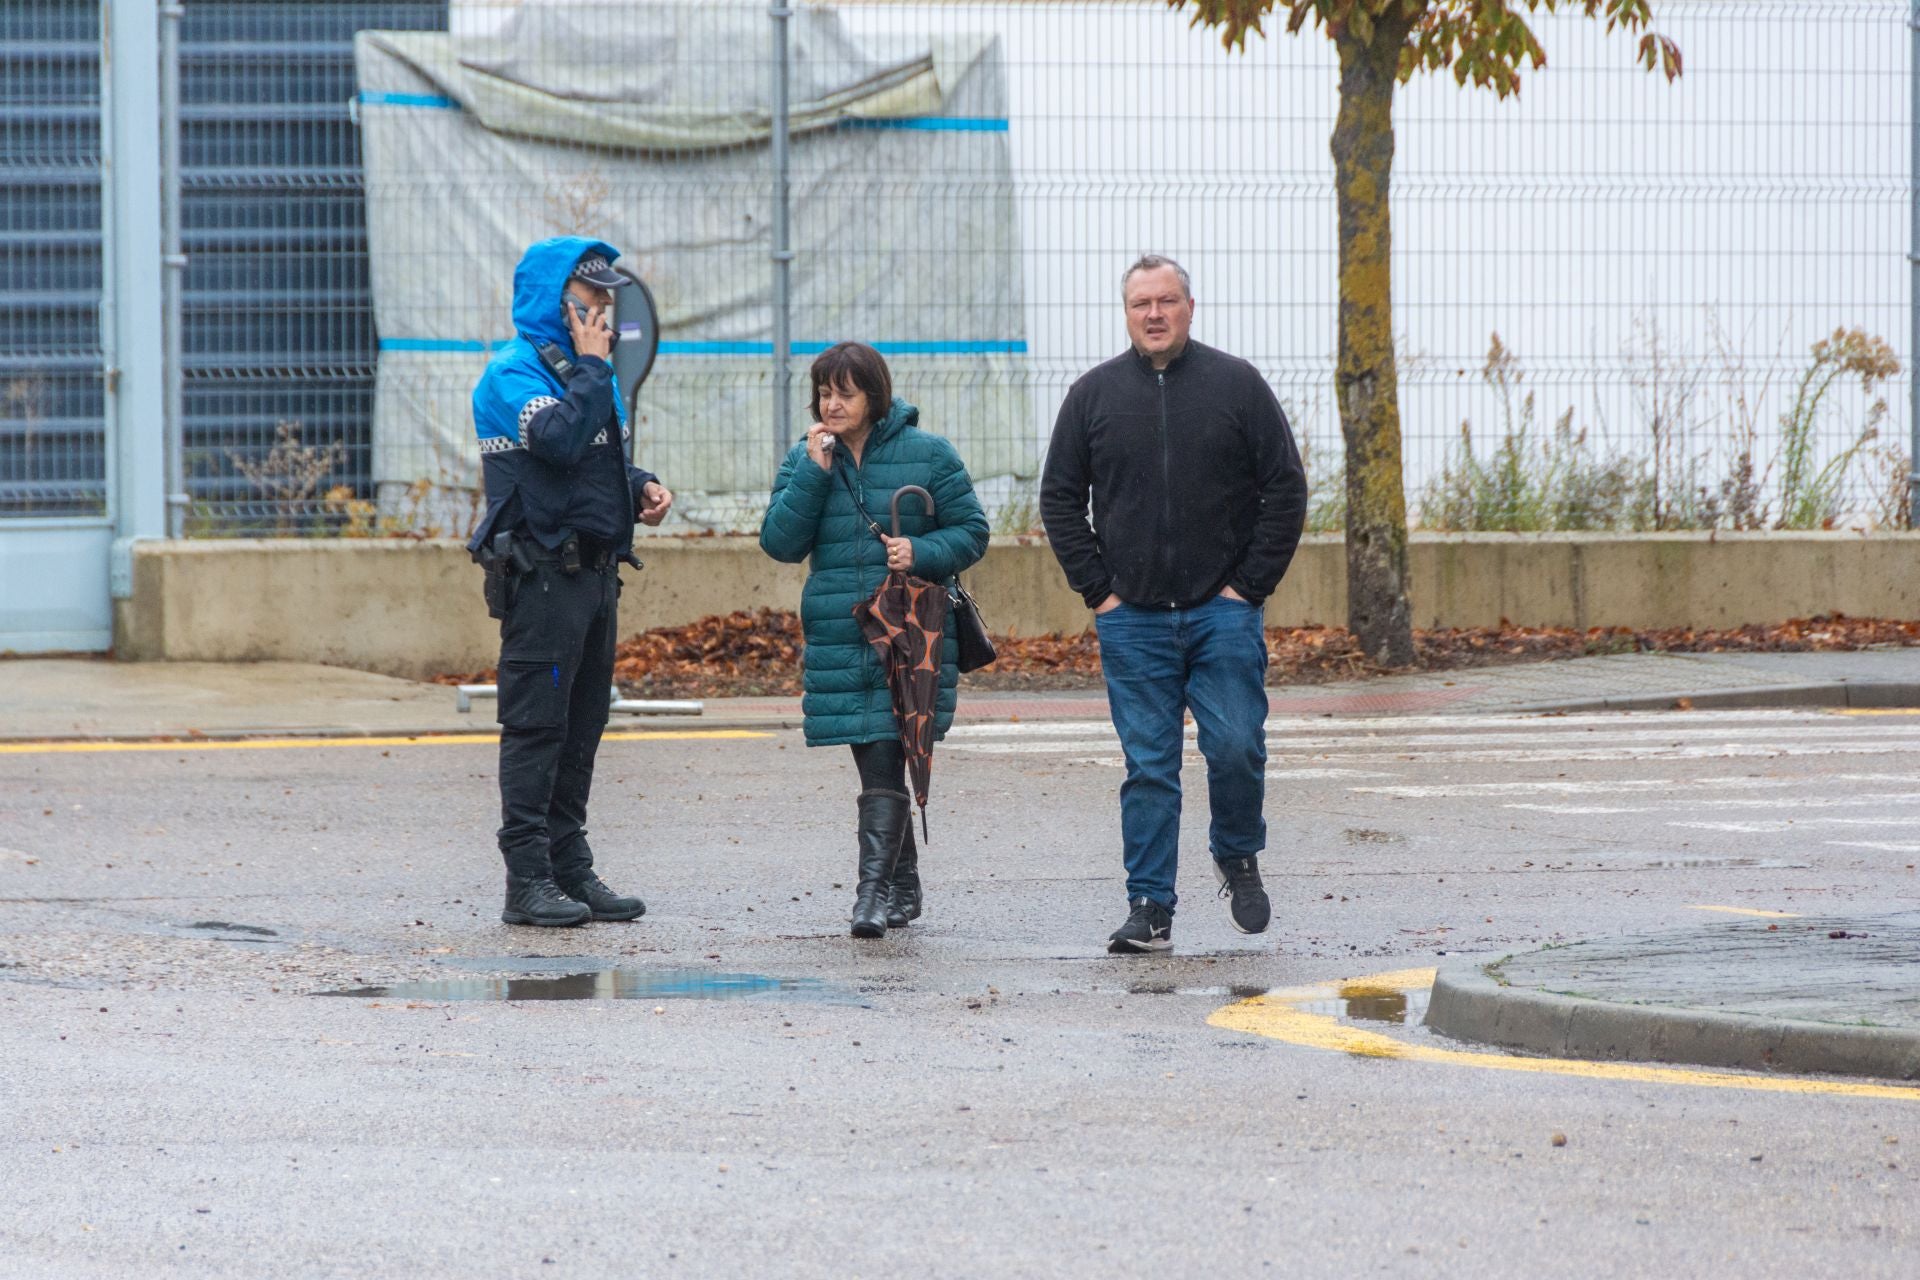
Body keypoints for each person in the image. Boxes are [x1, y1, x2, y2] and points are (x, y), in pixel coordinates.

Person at [1040, 254, 1308, 953]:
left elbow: (1285, 488)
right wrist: (1099, 592)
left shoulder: (1237, 385)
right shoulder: (1093, 395)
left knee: (1236, 746)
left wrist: (1247, 587)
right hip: (1130, 620)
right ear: (1126, 313)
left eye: (1166, 301)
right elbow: (1060, 499)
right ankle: (1150, 906)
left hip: (1222, 612)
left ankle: (1237, 854)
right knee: (1150, 768)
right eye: (1141, 304)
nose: (1154, 314)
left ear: (1190, 307)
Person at [467, 236, 674, 928]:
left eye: (610, 299)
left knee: (583, 726)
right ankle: (527, 881)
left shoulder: (588, 373)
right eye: (592, 299)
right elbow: (556, 440)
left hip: (595, 577)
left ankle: (569, 869)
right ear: (557, 302)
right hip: (542, 577)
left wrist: (640, 487)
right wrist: (591, 366)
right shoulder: (512, 373)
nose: (606, 313)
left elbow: (590, 461)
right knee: (537, 728)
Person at [760, 342, 989, 938]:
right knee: (876, 756)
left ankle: (872, 895)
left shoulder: (928, 454)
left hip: (910, 630)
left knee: (886, 750)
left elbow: (972, 531)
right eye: (824, 393)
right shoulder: (807, 458)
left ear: (875, 396)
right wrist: (813, 473)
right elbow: (780, 543)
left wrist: (922, 550)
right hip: (842, 632)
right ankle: (901, 885)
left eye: (845, 393)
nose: (831, 405)